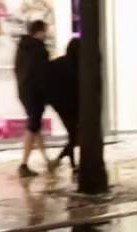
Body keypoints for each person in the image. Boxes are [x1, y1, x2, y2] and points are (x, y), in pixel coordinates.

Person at [15, 19, 52, 178]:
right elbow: (43, 74)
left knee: (35, 126)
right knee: (33, 126)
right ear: (40, 31)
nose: (47, 34)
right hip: (35, 93)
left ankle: (47, 160)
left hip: (24, 91)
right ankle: (23, 165)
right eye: (45, 31)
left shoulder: (23, 47)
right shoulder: (39, 49)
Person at [47, 38, 80, 172]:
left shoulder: (57, 63)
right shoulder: (77, 66)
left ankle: (71, 163)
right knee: (75, 136)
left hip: (60, 106)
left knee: (73, 135)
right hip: (72, 106)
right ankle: (61, 160)